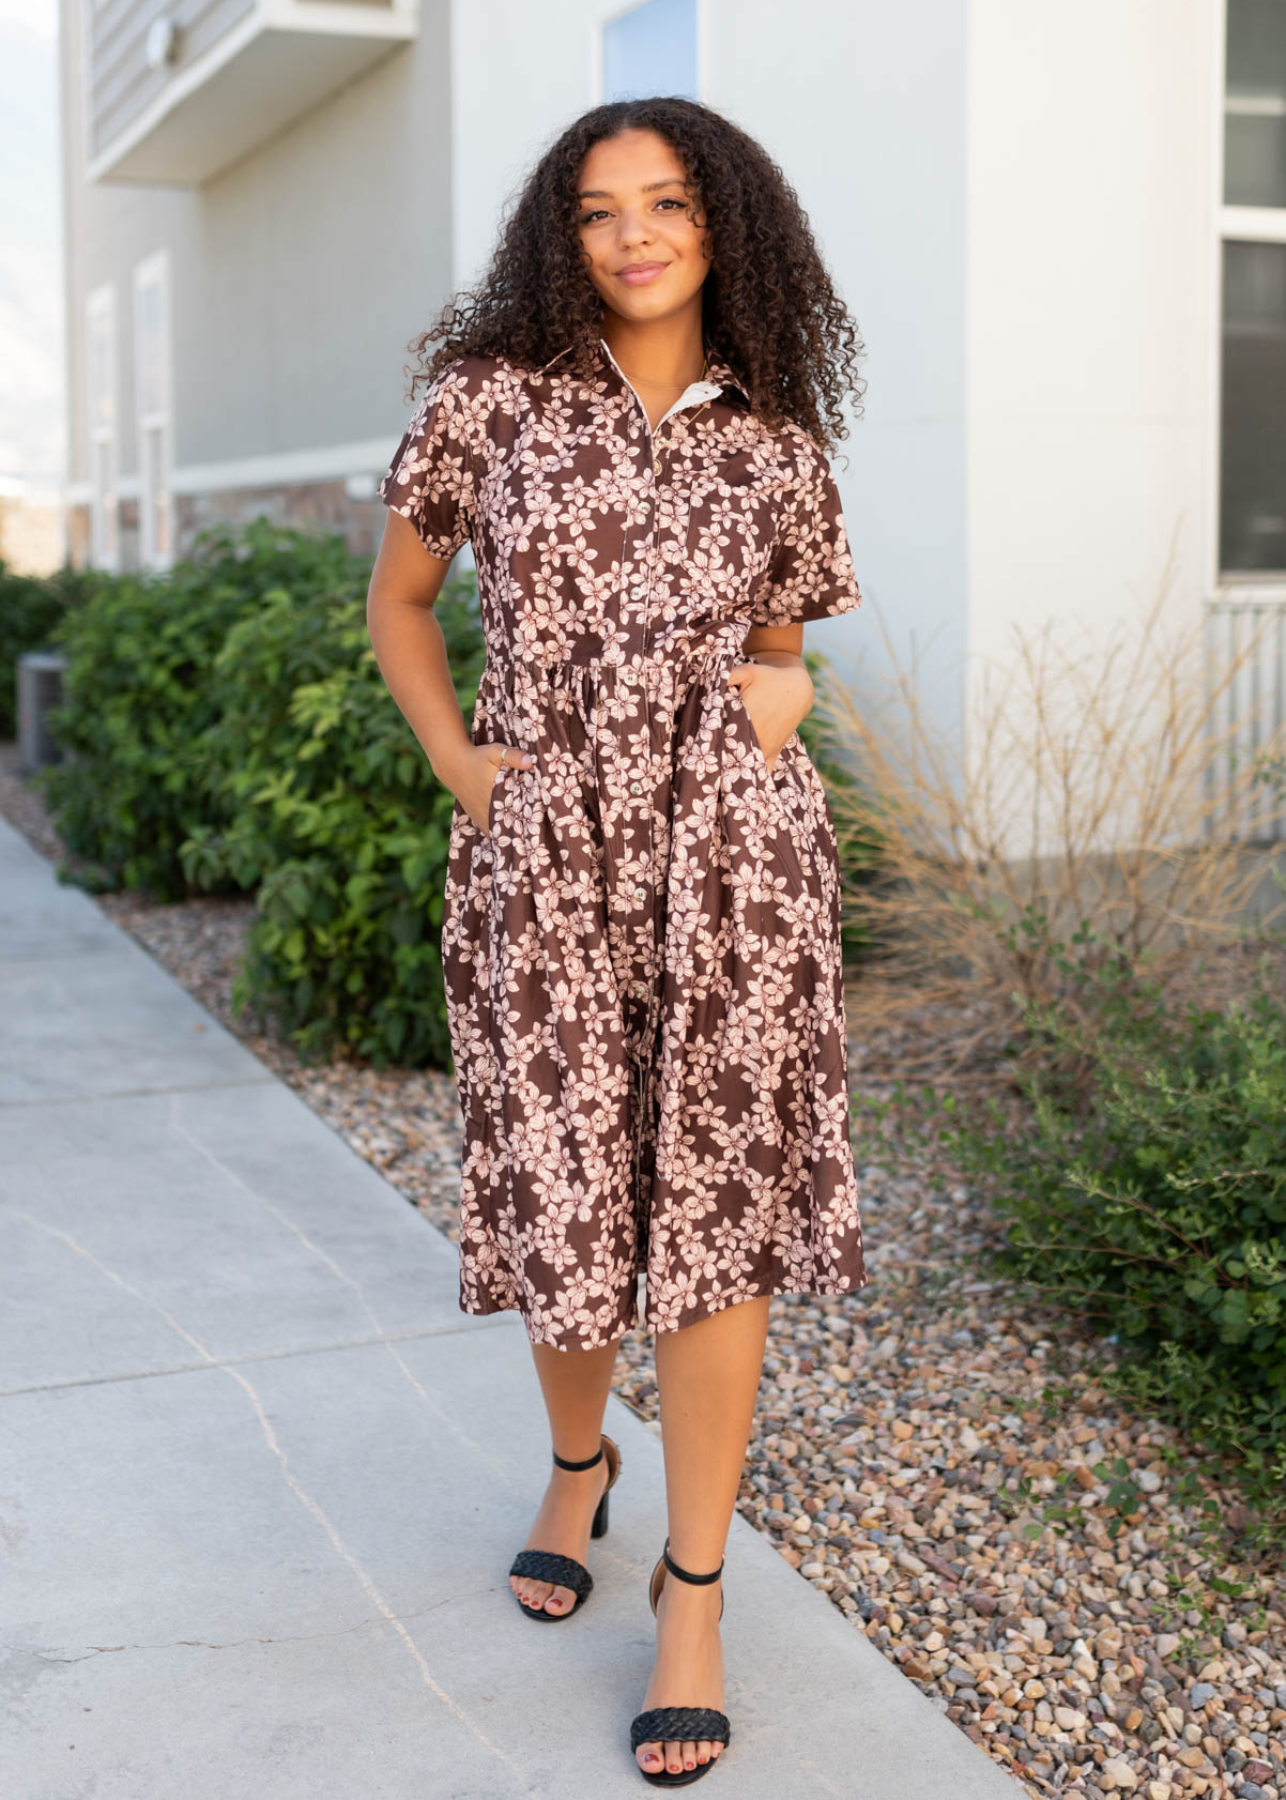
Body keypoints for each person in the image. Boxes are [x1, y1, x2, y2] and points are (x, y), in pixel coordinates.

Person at [366, 94, 869, 1787]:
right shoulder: (489, 402)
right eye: (596, 211)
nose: (634, 234)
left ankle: (695, 1591)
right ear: (558, 237)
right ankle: (578, 1462)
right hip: (547, 858)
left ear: (727, 224)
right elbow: (403, 600)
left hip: (735, 864)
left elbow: (787, 636)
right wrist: (458, 761)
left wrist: (779, 692)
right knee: (569, 1187)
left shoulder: (777, 437)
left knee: (713, 1214)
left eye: (666, 203)